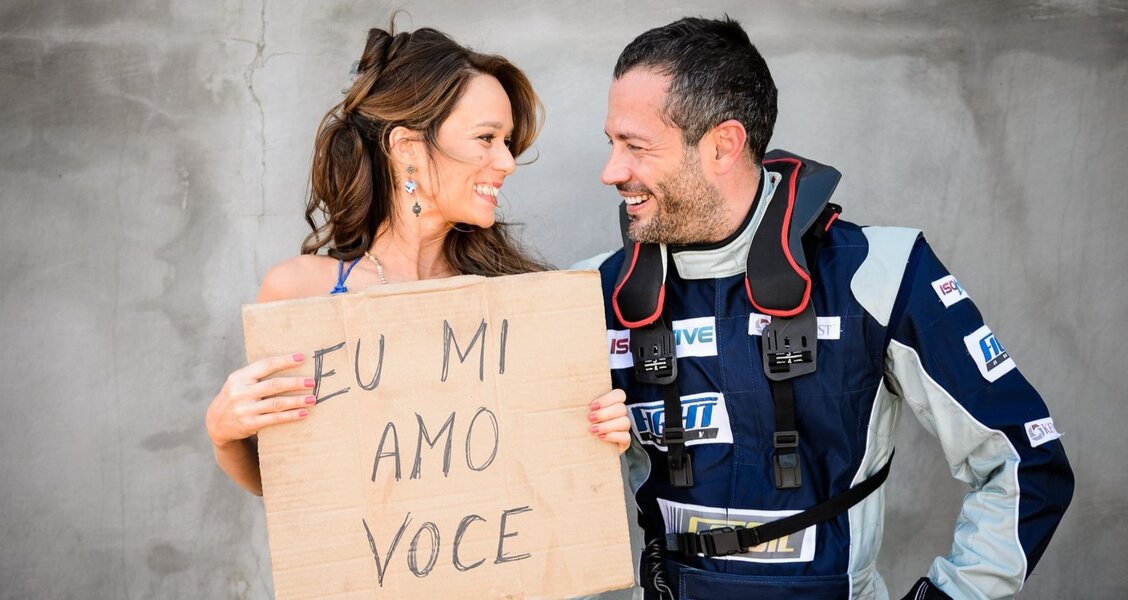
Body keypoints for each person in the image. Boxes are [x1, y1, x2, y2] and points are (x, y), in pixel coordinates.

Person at [580, 17, 1074, 600]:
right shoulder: (584, 296)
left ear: (723, 145)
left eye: (635, 147)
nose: (611, 171)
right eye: (611, 143)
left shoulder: (879, 270)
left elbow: (1026, 459)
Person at [205, 25, 631, 496]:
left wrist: (597, 431)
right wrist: (225, 435)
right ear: (407, 147)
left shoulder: (520, 298)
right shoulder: (299, 293)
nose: (508, 162)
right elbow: (293, 493)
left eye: (507, 142)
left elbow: (549, 477)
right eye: (487, 138)